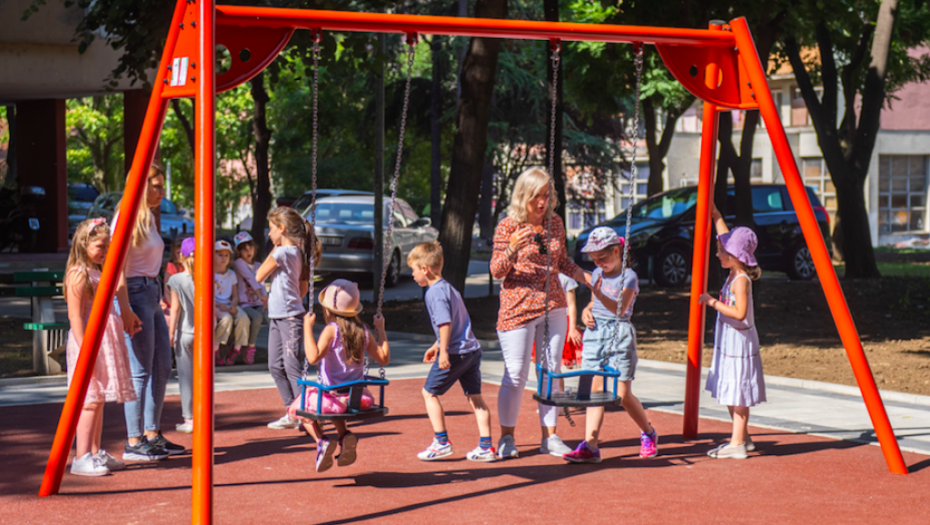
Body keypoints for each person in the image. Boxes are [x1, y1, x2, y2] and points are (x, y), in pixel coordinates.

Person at [490, 167, 590, 460]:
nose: (543, 202)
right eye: (537, 196)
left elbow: (562, 263)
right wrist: (510, 250)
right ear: (524, 196)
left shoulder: (555, 223)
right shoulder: (508, 226)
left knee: (551, 372)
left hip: (554, 306)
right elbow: (497, 271)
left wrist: (588, 277)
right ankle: (507, 438)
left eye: (547, 196)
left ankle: (551, 436)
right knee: (516, 374)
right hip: (518, 308)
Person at [561, 227, 658, 463]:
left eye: (602, 258)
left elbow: (619, 309)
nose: (598, 264)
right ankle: (591, 445)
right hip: (595, 333)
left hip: (619, 333)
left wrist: (598, 290)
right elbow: (594, 304)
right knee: (595, 392)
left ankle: (648, 433)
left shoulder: (630, 277)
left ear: (617, 251)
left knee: (622, 394)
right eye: (594, 260)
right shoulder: (596, 274)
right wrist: (586, 311)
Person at [114, 163, 185, 460]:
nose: (162, 191)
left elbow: (150, 261)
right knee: (140, 369)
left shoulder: (148, 218)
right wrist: (126, 307)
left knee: (162, 366)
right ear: (141, 187)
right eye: (155, 186)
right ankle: (133, 440)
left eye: (161, 186)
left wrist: (163, 292)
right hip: (134, 291)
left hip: (151, 290)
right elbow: (115, 265)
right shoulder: (126, 218)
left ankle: (152, 433)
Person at [408, 242, 496, 462]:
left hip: (456, 352)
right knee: (475, 397)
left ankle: (441, 442)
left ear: (425, 269)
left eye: (413, 270)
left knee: (429, 393)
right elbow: (457, 322)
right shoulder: (449, 287)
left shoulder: (434, 293)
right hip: (472, 350)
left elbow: (445, 323)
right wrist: (437, 345)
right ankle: (486, 446)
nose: (412, 275)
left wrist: (444, 351)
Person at [291, 279, 390, 472]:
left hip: (331, 396)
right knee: (338, 404)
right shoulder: (364, 331)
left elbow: (312, 357)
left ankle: (322, 441)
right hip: (358, 398)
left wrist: (307, 328)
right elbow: (384, 359)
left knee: (303, 410)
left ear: (328, 309)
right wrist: (381, 329)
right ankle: (344, 435)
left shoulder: (331, 331)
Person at [65, 218, 137, 476]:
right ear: (84, 245)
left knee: (99, 400)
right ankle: (81, 456)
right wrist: (86, 350)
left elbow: (116, 290)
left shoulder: (99, 272)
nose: (105, 251)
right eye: (100, 246)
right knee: (89, 400)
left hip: (105, 339)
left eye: (108, 246)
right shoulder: (78, 274)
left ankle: (94, 453)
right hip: (88, 341)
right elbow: (75, 317)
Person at [699, 204, 765, 459]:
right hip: (730, 341)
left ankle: (737, 444)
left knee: (738, 390)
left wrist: (712, 302)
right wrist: (716, 214)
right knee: (730, 387)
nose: (717, 254)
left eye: (721, 251)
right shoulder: (734, 272)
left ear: (736, 255)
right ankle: (743, 437)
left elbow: (739, 312)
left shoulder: (740, 281)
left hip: (739, 341)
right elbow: (725, 235)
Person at [257, 207, 321, 430]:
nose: (268, 233)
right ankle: (292, 412)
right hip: (278, 315)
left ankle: (303, 414)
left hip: (290, 317)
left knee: (291, 366)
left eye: (271, 228)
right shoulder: (297, 253)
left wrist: (275, 247)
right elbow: (302, 289)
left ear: (281, 229)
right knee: (275, 365)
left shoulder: (282, 253)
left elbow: (258, 275)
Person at [167, 237, 196, 434]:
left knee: (186, 378)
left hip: (185, 331)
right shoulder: (207, 277)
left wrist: (170, 333)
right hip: (204, 334)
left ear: (182, 258)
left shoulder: (175, 280)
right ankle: (205, 414)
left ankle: (189, 418)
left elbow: (175, 309)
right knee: (204, 377)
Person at [232, 231, 267, 365]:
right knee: (257, 317)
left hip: (258, 301)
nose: (248, 251)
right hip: (244, 303)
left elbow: (262, 283)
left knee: (270, 317)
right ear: (239, 252)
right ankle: (250, 348)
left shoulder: (258, 265)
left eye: (250, 247)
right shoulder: (239, 263)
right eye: (244, 249)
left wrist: (265, 300)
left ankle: (277, 349)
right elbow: (252, 280)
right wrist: (262, 297)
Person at [213, 240, 249, 366]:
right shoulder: (210, 273)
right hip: (216, 305)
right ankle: (216, 348)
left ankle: (237, 348)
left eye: (226, 255)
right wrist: (218, 305)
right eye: (220, 255)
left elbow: (235, 295)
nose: (224, 258)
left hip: (228, 304)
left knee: (244, 318)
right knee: (226, 319)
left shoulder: (231, 274)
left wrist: (233, 305)